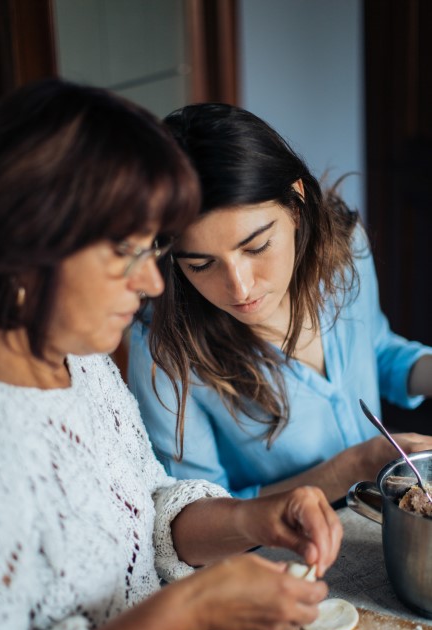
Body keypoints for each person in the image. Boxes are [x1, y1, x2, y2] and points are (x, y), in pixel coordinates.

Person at [0, 81, 342, 630]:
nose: (155, 283)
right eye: (126, 251)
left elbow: (145, 514)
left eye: (153, 249)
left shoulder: (76, 358)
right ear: (26, 244)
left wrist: (251, 520)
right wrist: (192, 609)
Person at [128, 102, 432, 503]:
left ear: (295, 201)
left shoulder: (345, 249)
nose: (239, 288)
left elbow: (377, 351)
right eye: (201, 265)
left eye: (256, 247)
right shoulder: (162, 351)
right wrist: (350, 468)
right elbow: (202, 514)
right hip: (278, 557)